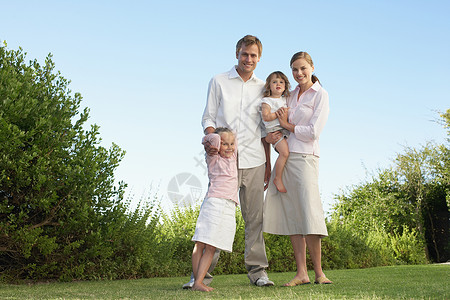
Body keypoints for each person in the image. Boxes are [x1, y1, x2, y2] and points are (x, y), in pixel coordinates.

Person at [184, 34, 274, 288]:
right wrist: (212, 142)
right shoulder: (219, 81)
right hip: (225, 166)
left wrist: (268, 164)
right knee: (216, 220)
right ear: (237, 53)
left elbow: (265, 130)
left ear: (259, 58)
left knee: (254, 219)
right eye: (245, 54)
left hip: (255, 161)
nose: (249, 59)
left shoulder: (263, 87)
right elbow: (208, 118)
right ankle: (200, 276)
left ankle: (258, 273)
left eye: (254, 55)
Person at [263, 51, 332, 286]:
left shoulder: (320, 95)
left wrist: (286, 125)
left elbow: (313, 131)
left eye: (303, 68)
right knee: (294, 216)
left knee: (310, 212)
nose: (299, 73)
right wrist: (276, 135)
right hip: (287, 157)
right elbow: (276, 122)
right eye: (294, 69)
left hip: (306, 157)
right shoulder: (290, 95)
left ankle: (320, 273)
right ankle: (301, 273)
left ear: (312, 67)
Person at [191, 128, 238, 292]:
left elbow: (236, 138)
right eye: (224, 144)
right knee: (201, 242)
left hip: (229, 204)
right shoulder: (213, 157)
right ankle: (196, 282)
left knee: (212, 246)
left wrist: (230, 140)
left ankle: (199, 281)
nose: (229, 147)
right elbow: (208, 138)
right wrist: (216, 141)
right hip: (214, 202)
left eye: (232, 143)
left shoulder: (233, 157)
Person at [261, 71, 291, 193]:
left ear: (285, 86)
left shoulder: (285, 100)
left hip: (285, 129)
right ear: (269, 86)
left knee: (289, 153)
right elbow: (266, 117)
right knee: (284, 153)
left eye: (281, 82)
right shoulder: (267, 101)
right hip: (275, 131)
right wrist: (277, 114)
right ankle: (277, 178)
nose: (278, 84)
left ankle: (283, 177)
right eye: (274, 82)